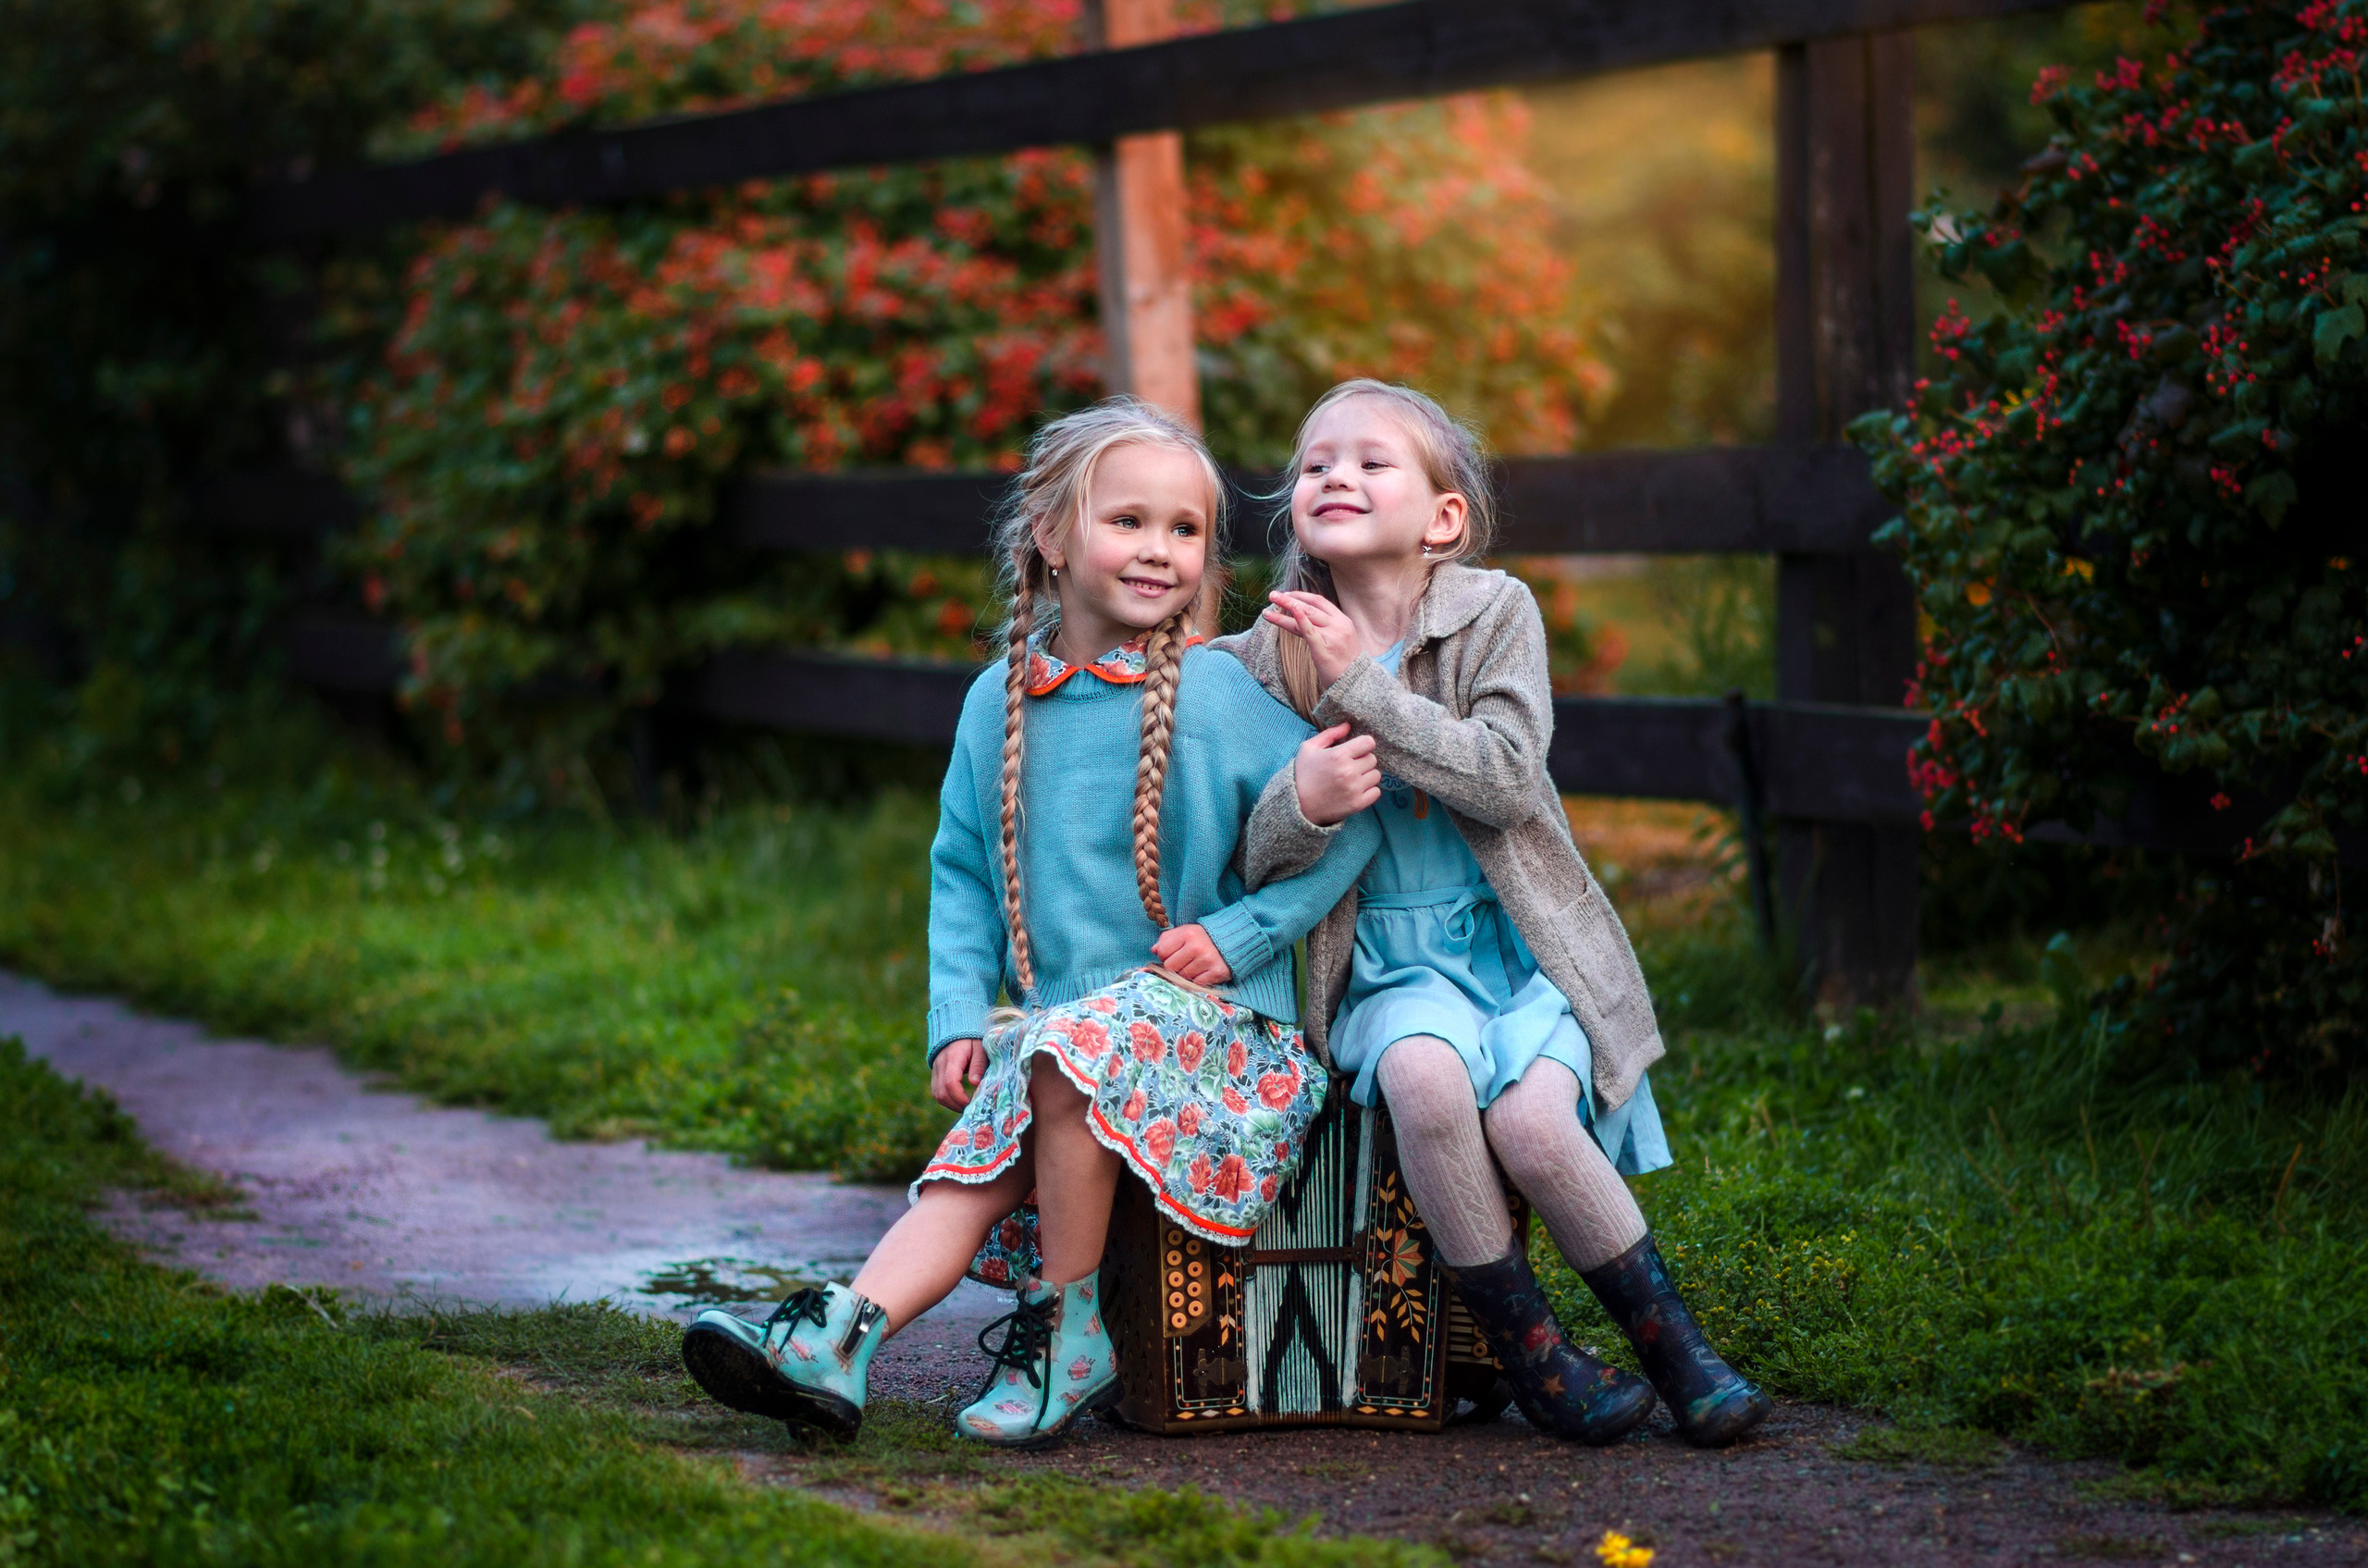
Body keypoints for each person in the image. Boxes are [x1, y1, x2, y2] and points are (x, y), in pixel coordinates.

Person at [682, 397, 1381, 1449]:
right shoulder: (993, 703)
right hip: (1075, 1030)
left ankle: (1065, 1330)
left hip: (1228, 1037)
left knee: (1057, 1059)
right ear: (1050, 537)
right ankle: (839, 1341)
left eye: (1184, 531)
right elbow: (960, 869)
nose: (1159, 551)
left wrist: (1239, 938)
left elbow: (1354, 833)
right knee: (972, 1162)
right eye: (1128, 522)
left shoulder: (1220, 694)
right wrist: (959, 1012)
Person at [1219, 379, 1770, 1448]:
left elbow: (1509, 778)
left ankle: (1673, 1345)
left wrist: (1364, 688)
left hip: (1518, 954)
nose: (1334, 474)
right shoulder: (1267, 652)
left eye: (1371, 460)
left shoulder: (1495, 613)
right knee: (1423, 1078)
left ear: (1442, 520)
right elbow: (1251, 852)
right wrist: (1301, 802)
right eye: (1316, 462)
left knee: (1530, 1124)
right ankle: (1530, 1354)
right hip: (1384, 965)